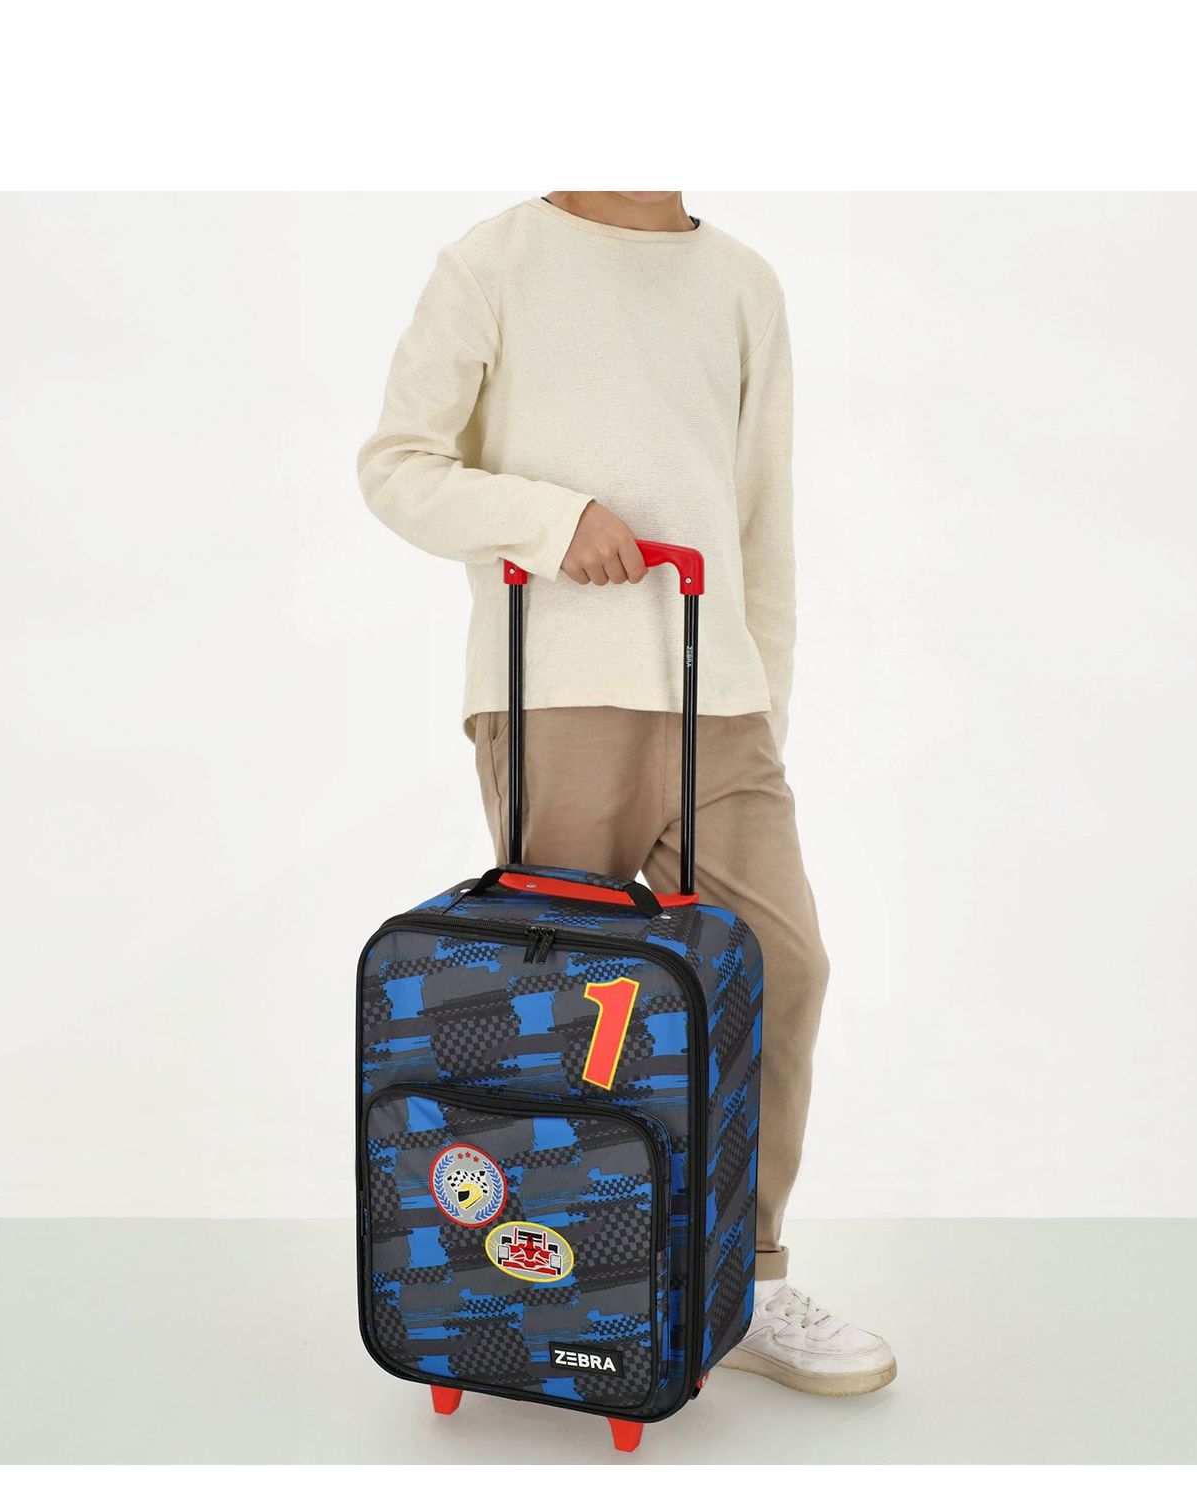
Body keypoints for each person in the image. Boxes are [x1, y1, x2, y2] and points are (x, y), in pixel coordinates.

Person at [357, 191, 896, 1397]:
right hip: (561, 693)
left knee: (782, 967)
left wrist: (762, 698)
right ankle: (556, 1303)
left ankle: (744, 1284)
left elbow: (760, 519)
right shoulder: (495, 261)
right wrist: (552, 522)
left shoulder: (743, 282)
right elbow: (397, 468)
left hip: (720, 700)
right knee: (564, 1018)